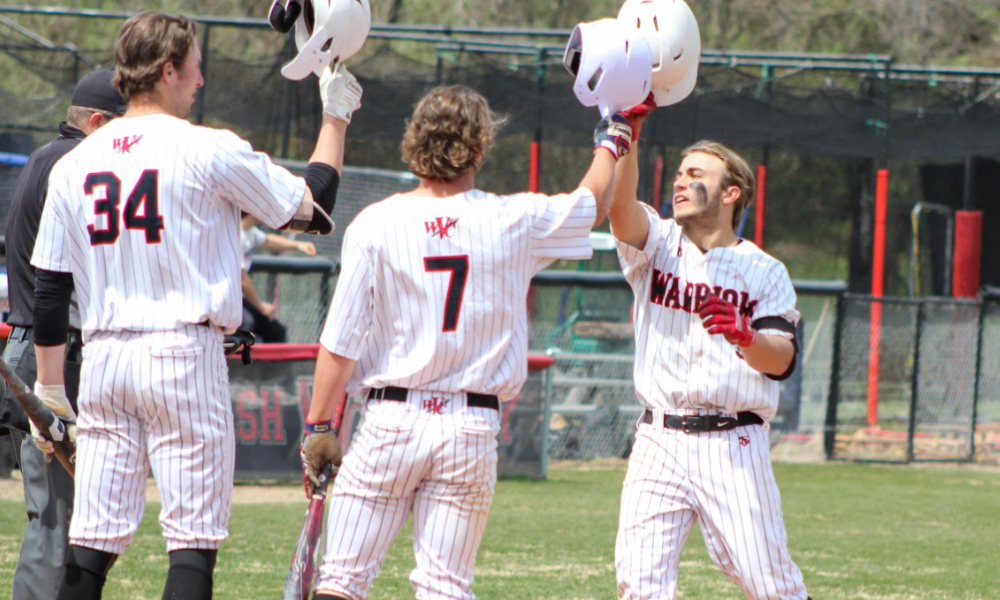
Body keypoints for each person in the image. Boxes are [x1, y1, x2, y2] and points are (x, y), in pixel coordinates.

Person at [29, 11, 359, 599]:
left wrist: (50, 390)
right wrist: (335, 116)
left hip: (104, 361)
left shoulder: (74, 162)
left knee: (91, 545)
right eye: (197, 69)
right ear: (168, 69)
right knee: (191, 543)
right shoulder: (207, 147)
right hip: (183, 354)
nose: (201, 81)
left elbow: (50, 289)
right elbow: (313, 204)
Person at [297, 85, 630, 600]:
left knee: (341, 579)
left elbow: (340, 342)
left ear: (414, 142)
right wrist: (614, 136)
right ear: (478, 149)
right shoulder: (513, 219)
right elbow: (592, 202)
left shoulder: (376, 222)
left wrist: (318, 425)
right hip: (470, 426)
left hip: (391, 420)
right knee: (445, 586)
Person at [609, 99, 811, 600]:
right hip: (659, 438)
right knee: (640, 583)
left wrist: (745, 336)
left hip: (733, 442)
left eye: (695, 173)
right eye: (678, 172)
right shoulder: (657, 244)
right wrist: (629, 135)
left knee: (768, 583)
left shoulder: (765, 270)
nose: (679, 181)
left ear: (731, 192)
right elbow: (619, 209)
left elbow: (781, 359)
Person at [0, 68, 125, 600]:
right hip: (56, 357)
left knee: (69, 520)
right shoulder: (75, 163)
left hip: (41, 349)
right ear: (96, 122)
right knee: (60, 524)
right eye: (123, 127)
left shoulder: (47, 156)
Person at [239, 212, 317, 343]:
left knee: (276, 332)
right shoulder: (236, 234)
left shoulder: (249, 232)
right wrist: (262, 306)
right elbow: (242, 281)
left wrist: (298, 245)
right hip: (227, 300)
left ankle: (265, 364)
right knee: (247, 323)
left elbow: (269, 241)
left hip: (240, 299)